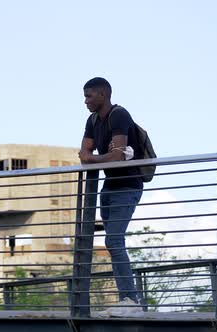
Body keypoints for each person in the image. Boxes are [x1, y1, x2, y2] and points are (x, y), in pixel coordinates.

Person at [78, 77, 144, 317]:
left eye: (89, 96)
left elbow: (116, 158)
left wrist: (95, 157)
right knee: (112, 242)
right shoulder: (92, 119)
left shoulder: (119, 115)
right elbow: (84, 153)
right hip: (109, 186)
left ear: (103, 95)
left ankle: (131, 301)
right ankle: (127, 299)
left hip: (127, 185)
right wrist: (103, 156)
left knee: (114, 241)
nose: (85, 101)